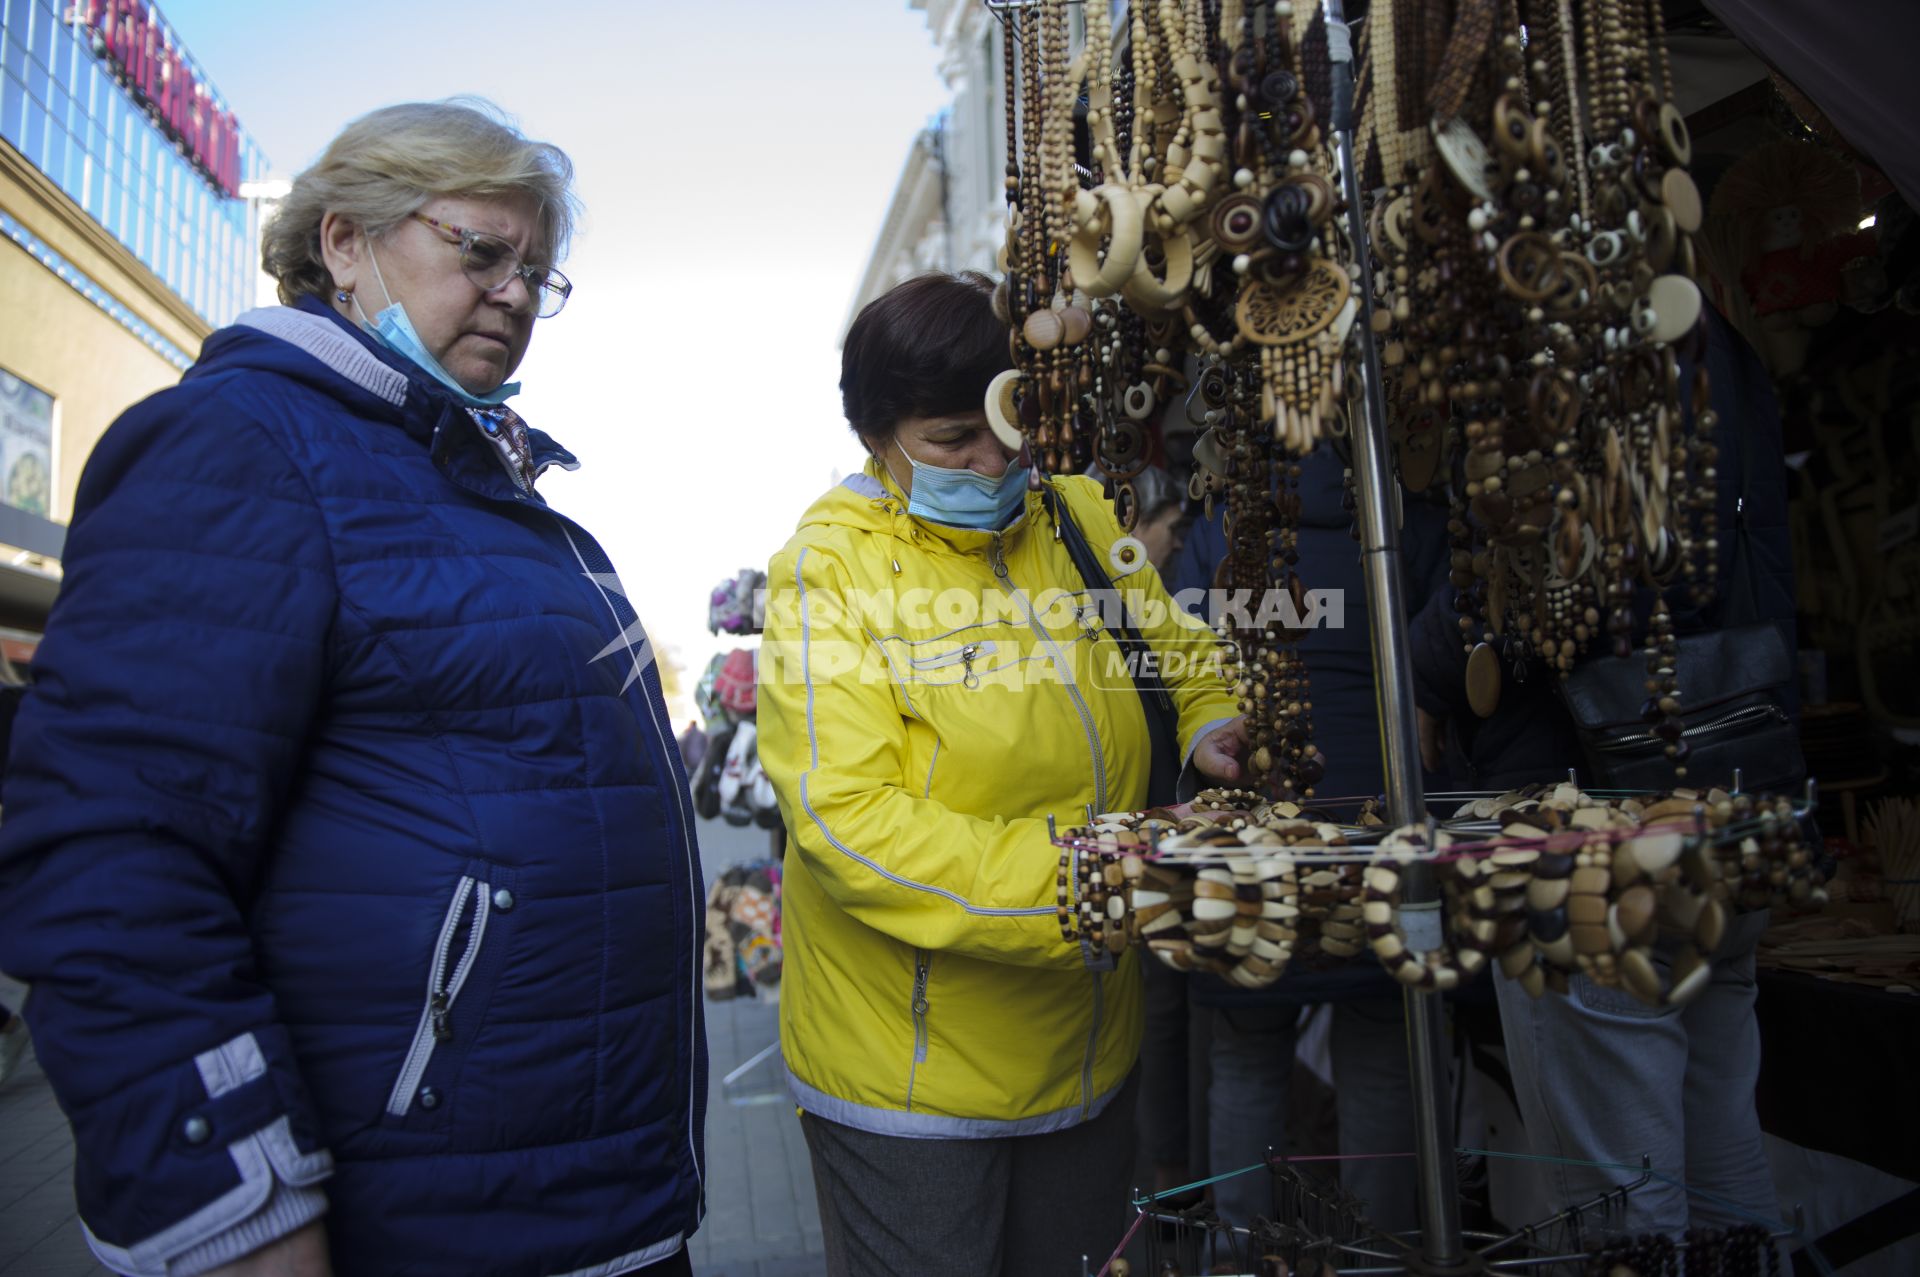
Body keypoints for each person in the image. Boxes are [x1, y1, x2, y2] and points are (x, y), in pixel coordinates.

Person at [0, 101, 705, 1276]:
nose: (517, 293)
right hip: (421, 1225)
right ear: (342, 243)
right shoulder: (244, 446)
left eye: (538, 270)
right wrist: (239, 1210)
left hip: (586, 1201)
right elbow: (110, 856)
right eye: (480, 251)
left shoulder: (468, 470)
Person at [755, 272, 1249, 1277]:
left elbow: (1178, 647)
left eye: (1008, 422)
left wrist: (1211, 723)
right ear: (876, 437)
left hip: (1087, 1049)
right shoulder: (828, 574)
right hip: (914, 1077)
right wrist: (1088, 877)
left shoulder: (1069, 511)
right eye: (950, 440)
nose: (993, 460)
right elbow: (848, 823)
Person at [1409, 304, 1795, 1237]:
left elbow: (1519, 585)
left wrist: (1430, 671)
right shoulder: (1721, 345)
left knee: (1619, 1196)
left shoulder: (1556, 344)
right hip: (1731, 789)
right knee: (1719, 1146)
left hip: (1591, 828)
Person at [1167, 443, 1454, 1240]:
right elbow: (1446, 655)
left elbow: (1178, 656)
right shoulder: (1407, 522)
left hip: (1259, 828)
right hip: (1379, 825)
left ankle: (1244, 1249)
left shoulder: (1218, 532)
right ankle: (1380, 1252)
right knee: (1381, 1049)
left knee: (1247, 1054)